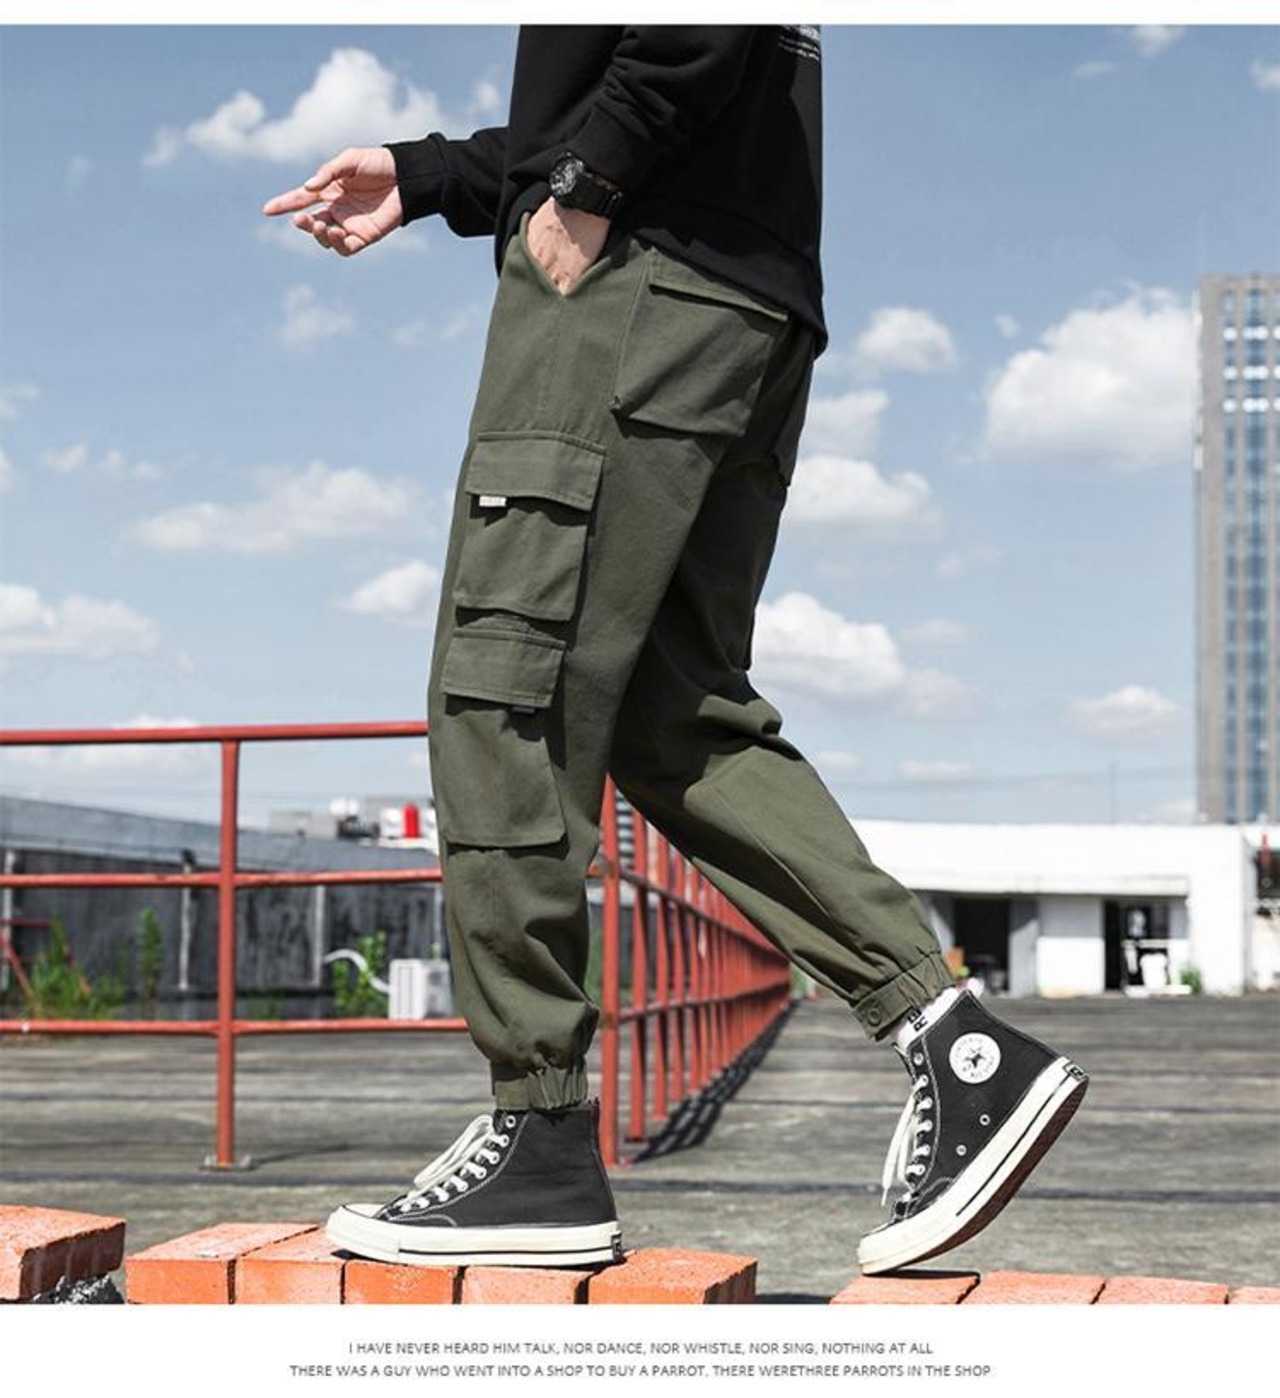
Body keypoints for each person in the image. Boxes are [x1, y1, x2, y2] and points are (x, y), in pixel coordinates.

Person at [264, 25, 1087, 1277]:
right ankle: (958, 1042)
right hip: (738, 296)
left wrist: (589, 180)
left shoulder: (617, 196)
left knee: (507, 693)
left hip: (636, 283)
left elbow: (682, 38)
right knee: (671, 714)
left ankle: (537, 1134)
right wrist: (434, 175)